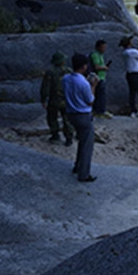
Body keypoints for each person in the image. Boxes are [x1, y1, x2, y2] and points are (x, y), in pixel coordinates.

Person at [63, 53, 98, 182]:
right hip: (83, 115)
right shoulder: (84, 83)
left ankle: (78, 166)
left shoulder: (65, 78)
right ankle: (83, 174)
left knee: (82, 141)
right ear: (84, 66)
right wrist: (93, 86)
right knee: (87, 144)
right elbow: (90, 101)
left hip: (71, 113)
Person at [40, 51, 74, 146]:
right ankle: (69, 138)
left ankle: (55, 134)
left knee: (52, 117)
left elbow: (45, 87)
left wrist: (43, 99)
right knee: (67, 119)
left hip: (54, 100)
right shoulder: (69, 71)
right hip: (67, 100)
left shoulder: (50, 72)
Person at [89, 39, 113, 118]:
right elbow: (96, 67)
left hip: (102, 77)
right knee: (101, 95)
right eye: (103, 47)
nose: (104, 49)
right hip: (98, 78)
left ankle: (98, 110)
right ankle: (100, 111)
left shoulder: (100, 54)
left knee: (100, 95)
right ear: (98, 47)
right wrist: (104, 68)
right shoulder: (95, 55)